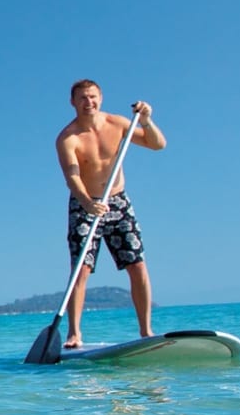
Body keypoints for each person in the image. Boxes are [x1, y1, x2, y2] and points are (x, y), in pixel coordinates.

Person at [54, 79, 166, 348]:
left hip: (118, 202)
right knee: (81, 269)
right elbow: (72, 177)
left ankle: (146, 331)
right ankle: (74, 334)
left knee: (137, 265)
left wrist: (146, 121)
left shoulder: (118, 124)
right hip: (84, 204)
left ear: (101, 98)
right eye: (82, 98)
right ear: (73, 102)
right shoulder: (67, 138)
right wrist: (87, 203)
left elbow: (157, 144)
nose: (88, 102)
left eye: (92, 97)